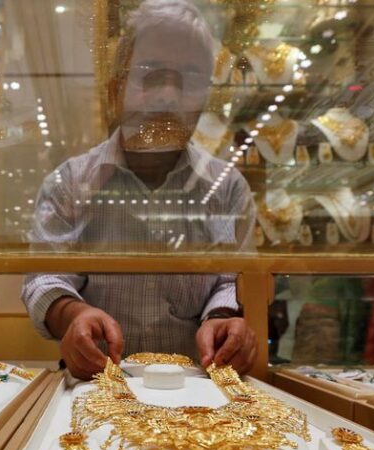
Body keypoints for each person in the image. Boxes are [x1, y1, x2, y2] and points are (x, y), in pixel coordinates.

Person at [22, 0, 256, 380]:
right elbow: (46, 278)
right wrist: (75, 316)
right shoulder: (70, 182)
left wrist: (222, 319)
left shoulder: (227, 187)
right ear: (117, 88)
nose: (167, 95)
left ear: (205, 96)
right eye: (150, 74)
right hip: (93, 385)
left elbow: (233, 280)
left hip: (199, 390)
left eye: (190, 79)